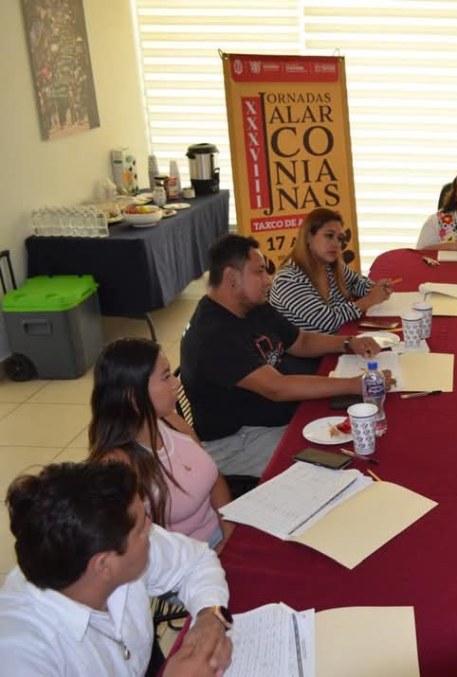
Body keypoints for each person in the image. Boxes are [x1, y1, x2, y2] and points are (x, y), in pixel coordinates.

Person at [180, 234, 389, 478]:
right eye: (259, 272)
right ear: (231, 278)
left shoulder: (251, 306)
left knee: (359, 429)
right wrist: (356, 384)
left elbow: (300, 341)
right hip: (237, 442)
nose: (268, 280)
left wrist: (348, 343)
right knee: (341, 461)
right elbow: (277, 388)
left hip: (269, 418)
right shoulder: (213, 336)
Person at [0, 462, 232, 676]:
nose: (150, 526)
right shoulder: (19, 653)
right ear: (104, 565)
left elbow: (196, 561)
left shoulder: (103, 546)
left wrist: (209, 615)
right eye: (141, 528)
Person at [87, 337, 234, 552]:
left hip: (223, 532)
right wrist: (209, 557)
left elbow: (212, 476)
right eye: (165, 377)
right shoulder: (118, 466)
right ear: (133, 395)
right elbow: (138, 549)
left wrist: (229, 533)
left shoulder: (169, 419)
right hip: (186, 559)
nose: (176, 383)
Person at [270, 207, 397, 334]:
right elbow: (327, 321)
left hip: (339, 339)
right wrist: (369, 300)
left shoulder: (330, 265)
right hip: (316, 346)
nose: (336, 244)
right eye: (329, 235)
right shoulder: (288, 279)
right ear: (308, 237)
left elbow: (356, 282)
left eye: (340, 238)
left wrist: (376, 289)